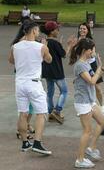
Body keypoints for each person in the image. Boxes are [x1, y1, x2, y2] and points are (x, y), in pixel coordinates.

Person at [8, 21, 53, 155]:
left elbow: (11, 61)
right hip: (34, 83)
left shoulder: (15, 46)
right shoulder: (40, 47)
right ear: (33, 31)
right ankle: (37, 143)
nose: (38, 32)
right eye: (37, 30)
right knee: (42, 112)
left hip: (20, 83)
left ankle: (25, 142)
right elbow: (49, 60)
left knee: (23, 113)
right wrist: (46, 47)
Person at [69, 38, 104, 168]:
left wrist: (101, 69)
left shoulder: (85, 63)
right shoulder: (80, 65)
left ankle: (91, 148)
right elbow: (92, 81)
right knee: (87, 131)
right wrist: (99, 70)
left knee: (103, 121)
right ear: (86, 50)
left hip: (90, 101)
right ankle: (79, 160)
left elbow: (94, 79)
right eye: (92, 49)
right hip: (83, 102)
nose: (94, 52)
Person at [41, 21, 72, 124]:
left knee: (50, 92)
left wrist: (61, 45)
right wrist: (69, 46)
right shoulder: (55, 43)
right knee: (64, 91)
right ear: (52, 31)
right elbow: (63, 54)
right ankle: (57, 110)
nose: (58, 31)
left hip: (46, 71)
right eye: (57, 29)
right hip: (57, 72)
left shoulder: (43, 42)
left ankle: (50, 111)